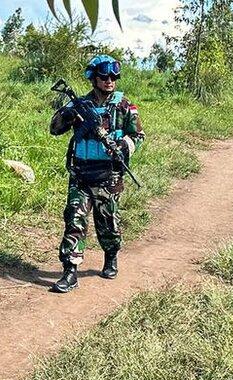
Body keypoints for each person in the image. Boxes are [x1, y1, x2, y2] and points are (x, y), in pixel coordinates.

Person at [48, 54, 144, 293]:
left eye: (113, 76)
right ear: (94, 78)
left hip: (109, 176)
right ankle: (70, 271)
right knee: (74, 220)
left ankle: (111, 255)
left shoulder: (124, 106)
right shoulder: (79, 104)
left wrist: (124, 146)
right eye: (104, 76)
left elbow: (139, 136)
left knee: (108, 223)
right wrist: (68, 115)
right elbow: (54, 128)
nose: (109, 80)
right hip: (81, 174)